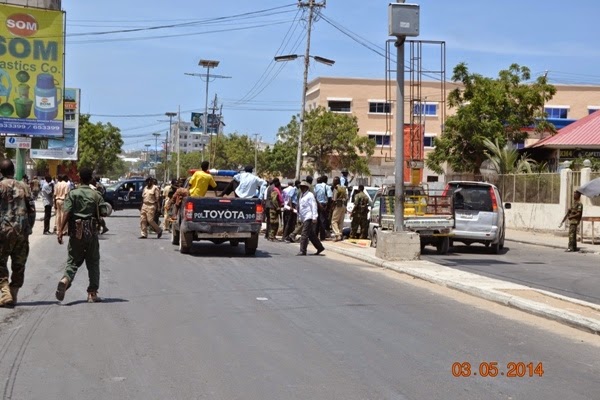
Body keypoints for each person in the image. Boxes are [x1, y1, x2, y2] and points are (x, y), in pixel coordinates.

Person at [55, 167, 109, 303]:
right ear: (91, 178)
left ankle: (65, 279)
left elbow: (66, 213)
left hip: (75, 232)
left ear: (79, 178)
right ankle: (92, 294)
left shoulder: (73, 194)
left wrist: (61, 231)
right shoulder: (95, 194)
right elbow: (103, 211)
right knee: (93, 262)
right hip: (91, 232)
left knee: (73, 261)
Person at [0, 159, 36, 307]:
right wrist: (29, 228)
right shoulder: (25, 187)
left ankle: (4, 289)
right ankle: (13, 290)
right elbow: (32, 210)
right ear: (13, 171)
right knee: (19, 264)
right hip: (21, 232)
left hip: (3, 231)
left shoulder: (0, 186)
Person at [296, 181, 325, 256]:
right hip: (304, 217)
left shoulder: (310, 195)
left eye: (303, 187)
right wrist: (299, 217)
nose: (301, 188)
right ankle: (320, 247)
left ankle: (303, 250)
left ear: (306, 187)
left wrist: (314, 217)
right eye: (300, 187)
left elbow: (314, 206)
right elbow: (301, 207)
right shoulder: (301, 195)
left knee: (304, 234)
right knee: (311, 234)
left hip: (309, 216)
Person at [331, 176, 348, 242]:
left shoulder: (336, 188)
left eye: (334, 181)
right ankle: (340, 235)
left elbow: (334, 199)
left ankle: (337, 234)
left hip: (338, 205)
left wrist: (332, 206)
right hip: (343, 205)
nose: (333, 182)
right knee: (341, 221)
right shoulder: (344, 188)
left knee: (334, 221)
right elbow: (347, 198)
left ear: (336, 181)